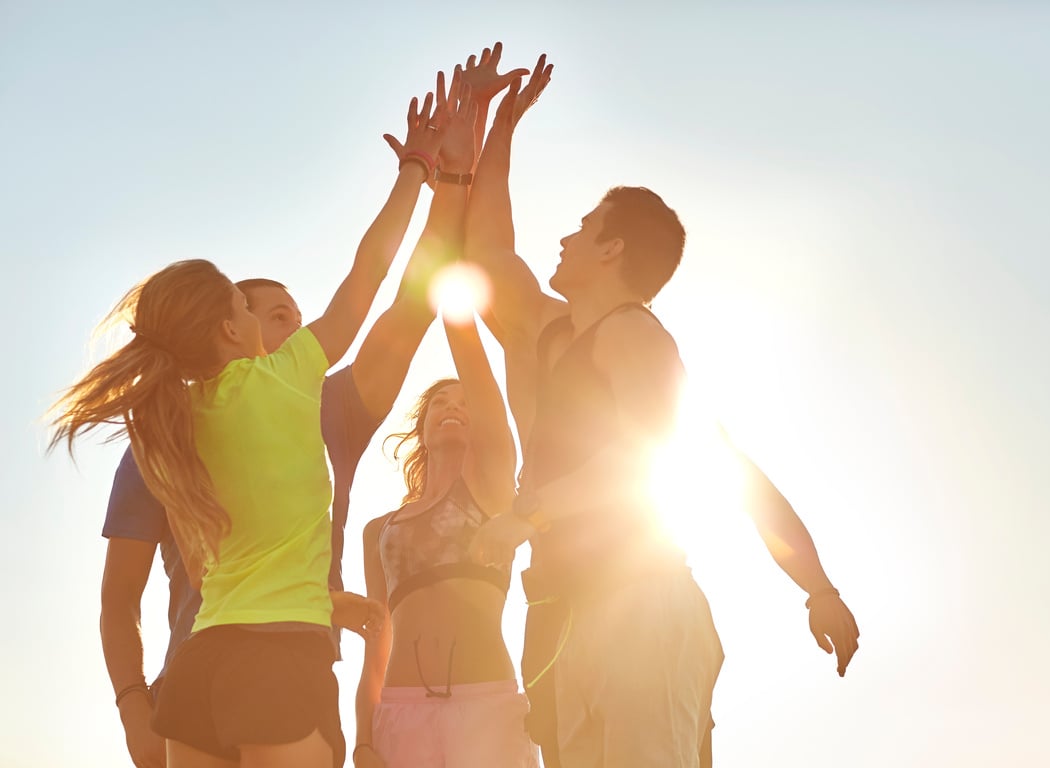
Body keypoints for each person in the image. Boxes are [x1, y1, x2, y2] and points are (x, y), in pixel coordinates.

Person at [464, 58, 860, 768]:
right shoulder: (548, 333)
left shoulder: (634, 336)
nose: (565, 238)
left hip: (639, 606)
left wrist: (820, 589)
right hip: (558, 612)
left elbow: (650, 456)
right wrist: (501, 126)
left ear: (613, 248)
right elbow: (487, 253)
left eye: (585, 227)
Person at [51, 87, 454, 768]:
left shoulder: (170, 420)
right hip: (275, 661)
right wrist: (416, 167)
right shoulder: (287, 375)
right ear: (230, 330)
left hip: (196, 669)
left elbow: (247, 553)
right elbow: (372, 270)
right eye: (246, 303)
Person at [350, 44, 538, 768]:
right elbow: (376, 636)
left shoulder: (493, 483)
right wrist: (366, 736)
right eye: (440, 405)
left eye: (465, 402)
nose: (456, 408)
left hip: (491, 706)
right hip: (400, 717)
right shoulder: (378, 530)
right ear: (421, 427)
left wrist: (477, 151)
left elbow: (465, 342)